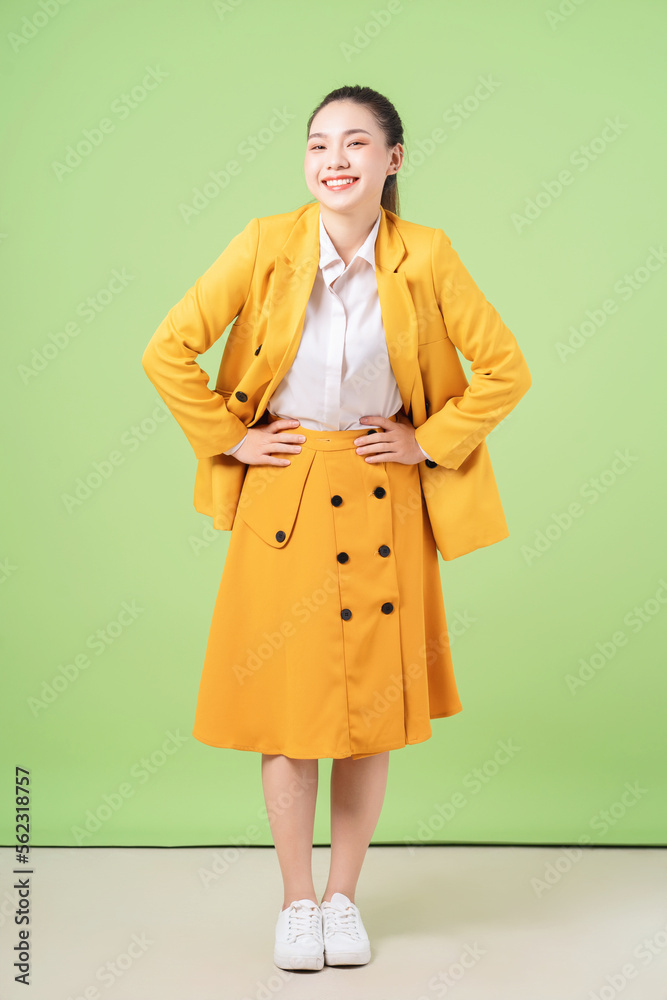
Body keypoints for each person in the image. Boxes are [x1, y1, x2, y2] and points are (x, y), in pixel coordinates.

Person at [141, 84, 532, 972]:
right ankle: (294, 904)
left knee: (369, 718)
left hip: (384, 488)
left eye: (356, 143)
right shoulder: (263, 243)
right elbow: (168, 347)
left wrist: (428, 441)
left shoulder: (425, 255)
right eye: (319, 144)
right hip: (285, 489)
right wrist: (231, 438)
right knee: (290, 712)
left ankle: (344, 899)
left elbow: (504, 368)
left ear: (392, 161)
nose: (335, 160)